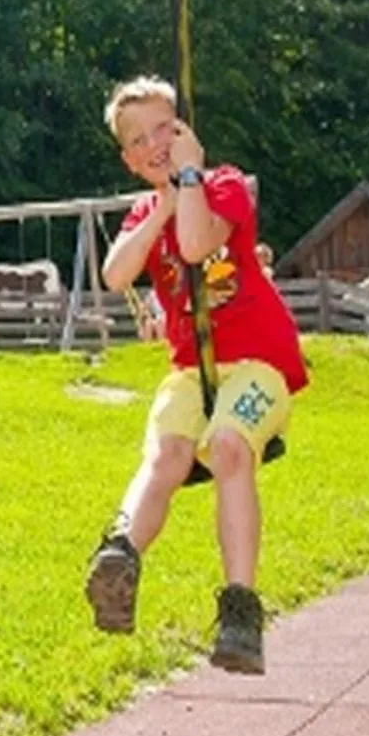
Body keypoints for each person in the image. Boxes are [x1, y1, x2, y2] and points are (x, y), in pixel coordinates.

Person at [83, 75, 309, 676]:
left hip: (259, 363)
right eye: (140, 140)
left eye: (165, 129)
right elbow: (115, 272)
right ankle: (119, 557)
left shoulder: (224, 186)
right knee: (168, 452)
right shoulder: (146, 210)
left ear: (185, 131)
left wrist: (190, 179)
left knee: (230, 446)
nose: (155, 143)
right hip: (192, 369)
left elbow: (194, 244)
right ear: (130, 160)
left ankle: (240, 609)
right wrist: (163, 201)